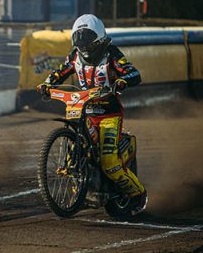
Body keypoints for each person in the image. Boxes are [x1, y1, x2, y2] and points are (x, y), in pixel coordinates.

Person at [36, 14, 147, 215]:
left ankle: (138, 194)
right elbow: (60, 71)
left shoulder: (112, 54)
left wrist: (121, 82)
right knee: (75, 155)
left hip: (109, 114)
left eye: (87, 40)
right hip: (84, 110)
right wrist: (47, 84)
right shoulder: (74, 56)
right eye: (79, 40)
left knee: (110, 163)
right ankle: (81, 193)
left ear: (99, 38)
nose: (83, 46)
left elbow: (134, 73)